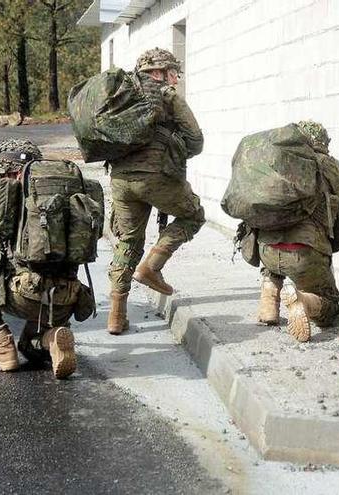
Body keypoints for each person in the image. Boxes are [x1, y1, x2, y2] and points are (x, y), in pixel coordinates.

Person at [0, 138, 101, 379]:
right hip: (68, 297)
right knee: (30, 348)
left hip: (25, 293)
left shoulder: (7, 193)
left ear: (8, 170)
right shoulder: (74, 189)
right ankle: (52, 338)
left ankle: (2, 351)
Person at [106, 47, 205, 335]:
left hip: (121, 179)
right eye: (173, 73)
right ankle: (152, 266)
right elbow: (196, 140)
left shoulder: (120, 98)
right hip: (158, 177)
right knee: (193, 216)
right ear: (159, 72)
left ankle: (116, 315)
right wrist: (172, 150)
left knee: (128, 241)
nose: (175, 79)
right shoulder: (167, 95)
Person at [255, 121, 339, 342]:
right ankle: (303, 301)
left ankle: (269, 302)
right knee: (330, 306)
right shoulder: (328, 164)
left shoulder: (276, 160)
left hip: (267, 248)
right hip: (304, 252)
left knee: (276, 248)